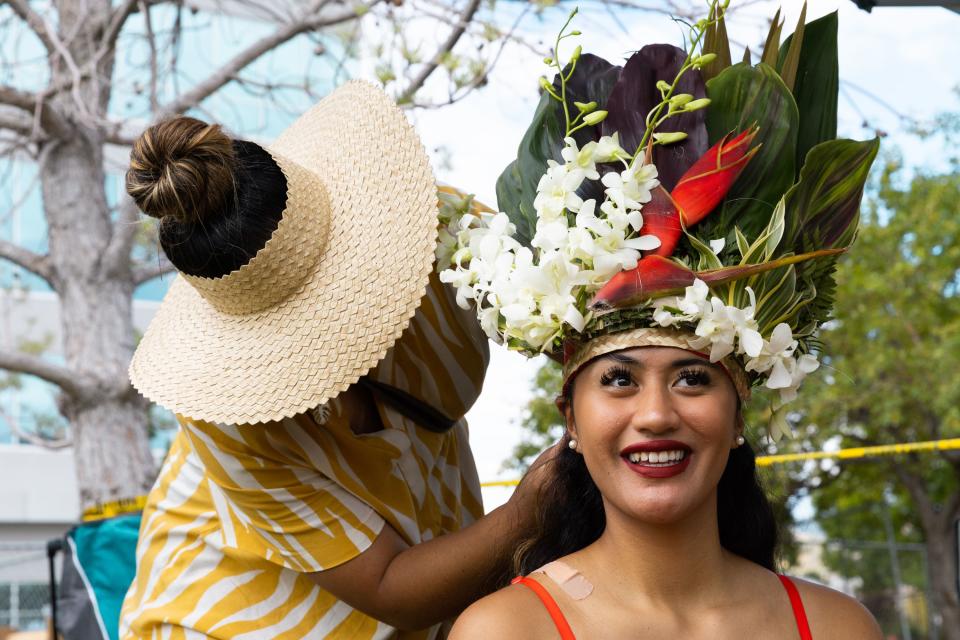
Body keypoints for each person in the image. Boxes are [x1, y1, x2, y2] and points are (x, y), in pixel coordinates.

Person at [436, 3, 884, 637]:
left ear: (738, 413)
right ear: (571, 417)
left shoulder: (839, 627)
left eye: (693, 379)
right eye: (619, 380)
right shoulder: (505, 630)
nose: (654, 415)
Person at [118, 80, 546, 639]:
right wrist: (536, 507)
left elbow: (575, 303)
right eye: (301, 329)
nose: (335, 347)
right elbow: (390, 585)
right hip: (227, 613)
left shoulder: (435, 228)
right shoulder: (225, 418)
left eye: (333, 303)